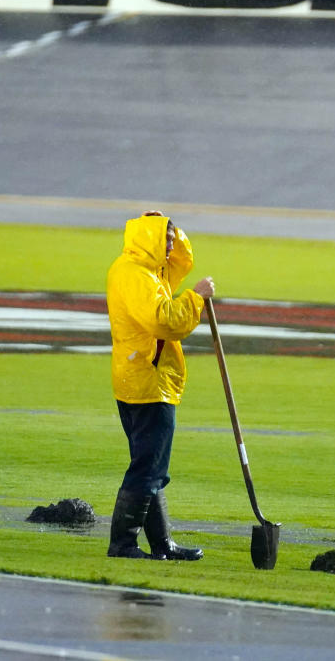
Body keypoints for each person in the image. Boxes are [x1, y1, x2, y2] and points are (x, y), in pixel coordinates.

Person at [105, 211, 215, 560]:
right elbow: (164, 321)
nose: (171, 246)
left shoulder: (140, 269)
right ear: (150, 239)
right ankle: (122, 544)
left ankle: (161, 543)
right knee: (148, 468)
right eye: (165, 239)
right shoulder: (138, 276)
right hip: (148, 382)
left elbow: (182, 261)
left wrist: (171, 231)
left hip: (137, 378)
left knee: (150, 466)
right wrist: (196, 299)